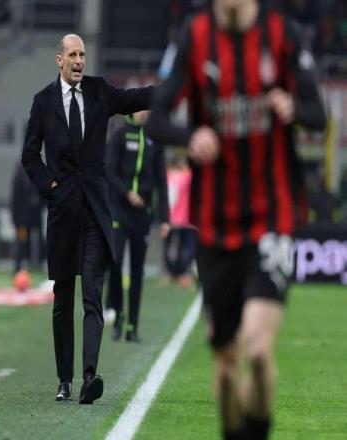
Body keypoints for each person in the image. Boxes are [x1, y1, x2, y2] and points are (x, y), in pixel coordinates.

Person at [147, 1, 327, 439]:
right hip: (215, 227)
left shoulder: (282, 35)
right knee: (227, 367)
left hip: (271, 219)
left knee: (259, 352)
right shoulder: (195, 37)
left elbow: (318, 116)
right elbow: (157, 120)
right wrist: (191, 134)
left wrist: (292, 107)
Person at [22, 34, 153, 404]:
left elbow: (134, 98)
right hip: (63, 213)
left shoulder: (99, 92)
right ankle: (64, 380)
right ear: (59, 60)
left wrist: (175, 87)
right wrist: (50, 186)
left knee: (92, 295)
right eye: (73, 54)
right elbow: (30, 155)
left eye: (83, 54)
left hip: (95, 213)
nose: (79, 60)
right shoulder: (43, 102)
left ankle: (89, 377)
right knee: (63, 299)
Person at [105, 111, 169, 343]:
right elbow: (109, 172)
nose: (145, 112)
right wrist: (127, 193)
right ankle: (118, 315)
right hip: (119, 211)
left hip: (143, 215)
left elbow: (162, 181)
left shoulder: (155, 139)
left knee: (137, 271)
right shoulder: (120, 135)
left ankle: (132, 326)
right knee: (115, 261)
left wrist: (165, 219)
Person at [163, 154, 197, 288]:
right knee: (172, 248)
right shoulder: (171, 175)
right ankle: (173, 273)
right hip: (173, 220)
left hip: (185, 219)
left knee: (185, 248)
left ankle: (181, 273)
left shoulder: (187, 175)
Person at [10, 162, 45, 273]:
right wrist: (16, 219)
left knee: (38, 240)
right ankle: (18, 265)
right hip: (22, 218)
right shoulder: (19, 178)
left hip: (35, 216)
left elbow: (43, 194)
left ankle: (36, 263)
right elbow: (15, 201)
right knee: (22, 241)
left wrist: (39, 204)